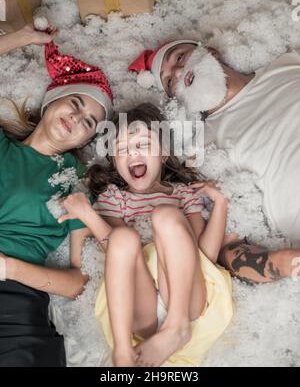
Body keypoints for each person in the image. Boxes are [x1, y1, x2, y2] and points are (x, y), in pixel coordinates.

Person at [59, 102, 235, 367]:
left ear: (163, 153)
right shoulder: (114, 197)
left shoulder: (183, 194)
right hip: (140, 309)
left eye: (143, 144)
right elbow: (117, 254)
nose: (133, 154)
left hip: (185, 301)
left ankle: (176, 327)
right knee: (122, 238)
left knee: (165, 215)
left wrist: (220, 204)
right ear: (115, 161)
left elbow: (204, 257)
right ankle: (122, 351)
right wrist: (89, 216)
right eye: (122, 149)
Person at [128, 40, 300, 281]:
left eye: (179, 57)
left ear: (209, 51)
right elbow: (229, 247)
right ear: (176, 99)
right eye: (169, 81)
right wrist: (279, 263)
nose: (178, 72)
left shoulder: (286, 63)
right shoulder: (202, 148)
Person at [0, 32, 113, 367]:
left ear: (89, 137)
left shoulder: (74, 181)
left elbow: (77, 282)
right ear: (52, 100)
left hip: (13, 305)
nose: (77, 118)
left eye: (89, 122)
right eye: (75, 104)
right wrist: (24, 37)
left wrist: (7, 267)